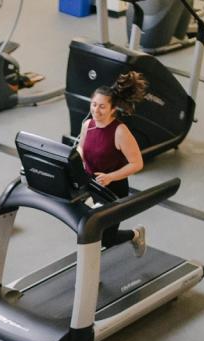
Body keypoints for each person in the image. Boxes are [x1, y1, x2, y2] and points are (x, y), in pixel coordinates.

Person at [77, 71, 149, 258]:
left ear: (112, 109)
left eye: (102, 106)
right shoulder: (88, 125)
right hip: (90, 185)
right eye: (93, 104)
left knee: (106, 239)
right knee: (86, 231)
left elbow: (137, 163)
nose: (96, 110)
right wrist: (77, 156)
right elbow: (81, 148)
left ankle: (135, 234)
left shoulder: (120, 131)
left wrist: (111, 177)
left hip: (113, 189)